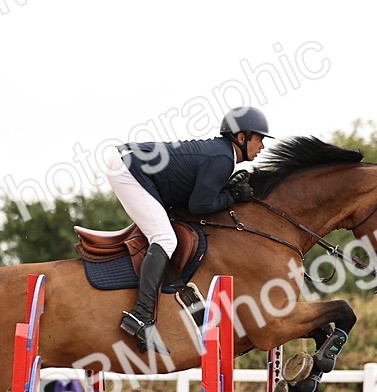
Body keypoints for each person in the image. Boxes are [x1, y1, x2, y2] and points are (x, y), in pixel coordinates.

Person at [106, 106, 272, 353]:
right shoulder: (223, 159)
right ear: (241, 137)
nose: (262, 146)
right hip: (126, 168)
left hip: (133, 165)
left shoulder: (222, 154)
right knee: (164, 238)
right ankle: (141, 316)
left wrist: (227, 193)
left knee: (165, 231)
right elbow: (200, 205)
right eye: (258, 138)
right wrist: (232, 196)